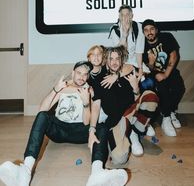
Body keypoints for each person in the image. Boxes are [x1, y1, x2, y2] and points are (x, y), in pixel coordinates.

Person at [0, 61, 128, 186]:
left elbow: (86, 122)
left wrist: (85, 103)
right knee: (42, 116)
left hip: (79, 131)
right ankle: (25, 171)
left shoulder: (89, 90)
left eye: (85, 74)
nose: (82, 77)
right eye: (79, 73)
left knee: (102, 126)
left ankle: (97, 173)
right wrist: (55, 90)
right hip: (59, 130)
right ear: (72, 73)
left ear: (88, 76)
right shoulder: (63, 87)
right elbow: (42, 109)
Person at [87, 45, 159, 166]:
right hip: (117, 121)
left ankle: (135, 132)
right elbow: (96, 105)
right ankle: (129, 132)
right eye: (111, 59)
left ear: (121, 60)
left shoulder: (127, 73)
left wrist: (135, 86)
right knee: (119, 159)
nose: (114, 62)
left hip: (132, 112)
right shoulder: (99, 79)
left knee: (150, 96)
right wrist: (92, 129)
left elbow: (137, 98)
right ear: (106, 61)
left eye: (117, 58)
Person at [142, 19, 186, 137]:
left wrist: (166, 74)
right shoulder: (142, 45)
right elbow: (148, 67)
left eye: (151, 29)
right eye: (146, 30)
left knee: (179, 88)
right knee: (162, 88)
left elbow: (174, 55)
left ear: (156, 30)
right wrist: (151, 63)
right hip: (154, 72)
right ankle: (166, 118)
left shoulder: (166, 37)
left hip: (169, 70)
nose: (149, 32)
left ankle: (171, 111)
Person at [108, 5, 146, 78]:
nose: (125, 17)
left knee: (146, 82)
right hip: (122, 63)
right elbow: (119, 53)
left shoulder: (139, 27)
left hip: (136, 62)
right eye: (122, 15)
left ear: (132, 16)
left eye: (127, 14)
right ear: (119, 17)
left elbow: (139, 51)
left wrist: (140, 70)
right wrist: (124, 35)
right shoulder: (115, 29)